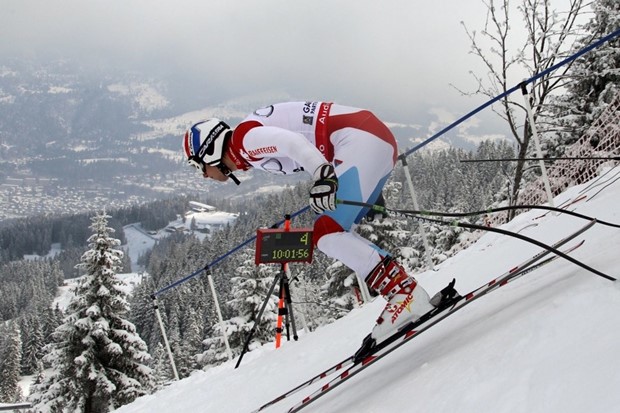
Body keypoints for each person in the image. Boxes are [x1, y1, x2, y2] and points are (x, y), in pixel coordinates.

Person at [183, 101, 456, 345]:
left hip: (359, 140)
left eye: (198, 167)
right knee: (338, 229)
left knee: (326, 232)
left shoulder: (243, 140)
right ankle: (405, 292)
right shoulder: (246, 147)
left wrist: (323, 175)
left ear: (209, 152)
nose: (204, 176)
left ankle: (403, 294)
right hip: (368, 138)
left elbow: (293, 143)